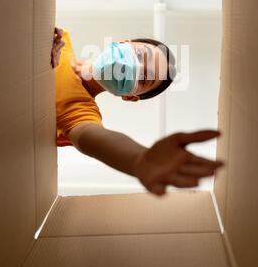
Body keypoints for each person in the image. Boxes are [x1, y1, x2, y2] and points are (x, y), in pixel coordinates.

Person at [51, 27, 223, 196]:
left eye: (142, 78)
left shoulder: (79, 111)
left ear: (129, 97)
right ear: (124, 43)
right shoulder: (61, 40)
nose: (132, 66)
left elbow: (89, 136)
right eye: (140, 55)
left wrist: (139, 159)